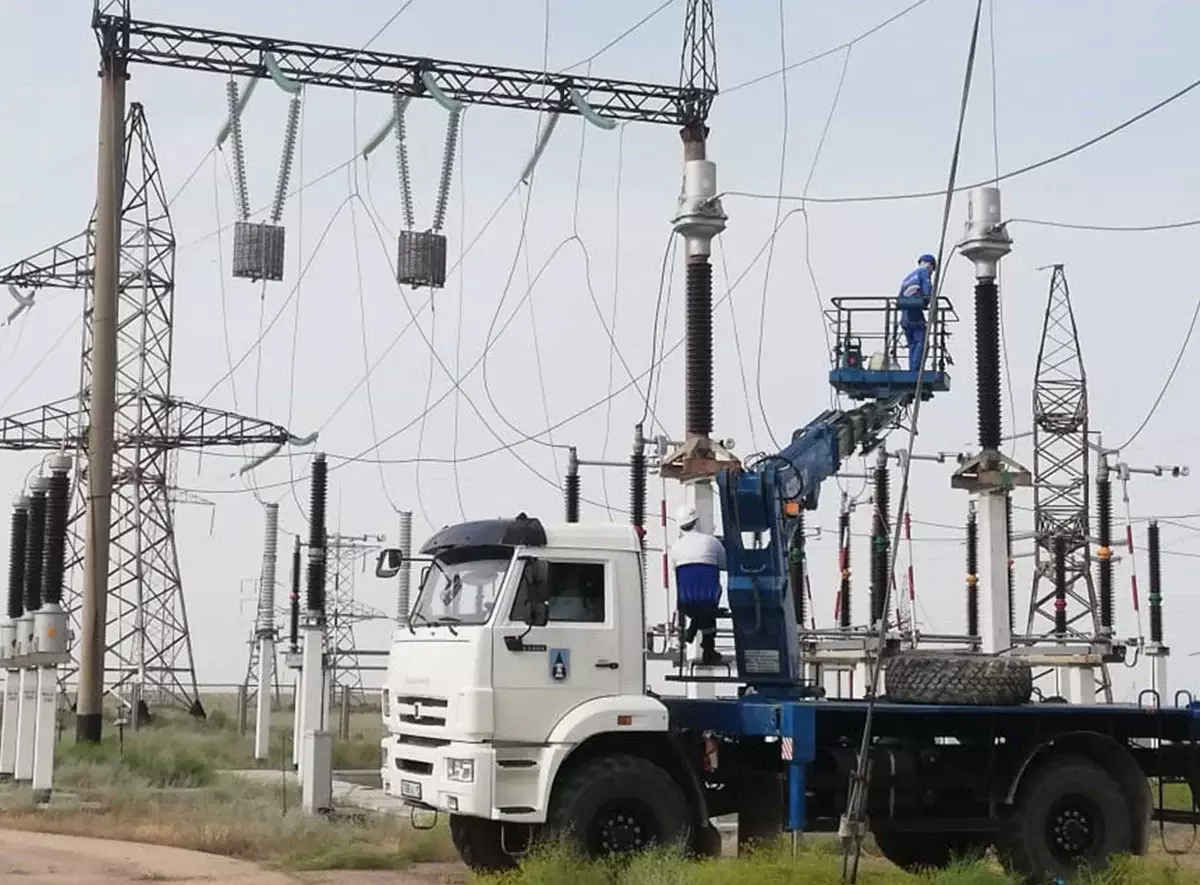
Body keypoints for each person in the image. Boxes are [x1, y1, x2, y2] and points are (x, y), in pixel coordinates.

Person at [670, 505, 726, 666]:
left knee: (701, 609)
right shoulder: (711, 542)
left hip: (685, 602)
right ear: (696, 522)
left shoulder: (675, 548)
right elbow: (725, 564)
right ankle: (707, 648)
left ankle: (692, 630)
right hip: (709, 599)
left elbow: (676, 570)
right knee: (708, 609)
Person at [896, 253, 937, 371]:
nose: (931, 273)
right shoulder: (924, 273)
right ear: (930, 266)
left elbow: (899, 299)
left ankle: (913, 369)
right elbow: (926, 292)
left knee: (912, 345)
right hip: (915, 315)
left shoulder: (907, 278)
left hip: (904, 317)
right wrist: (927, 302)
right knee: (921, 342)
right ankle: (916, 370)